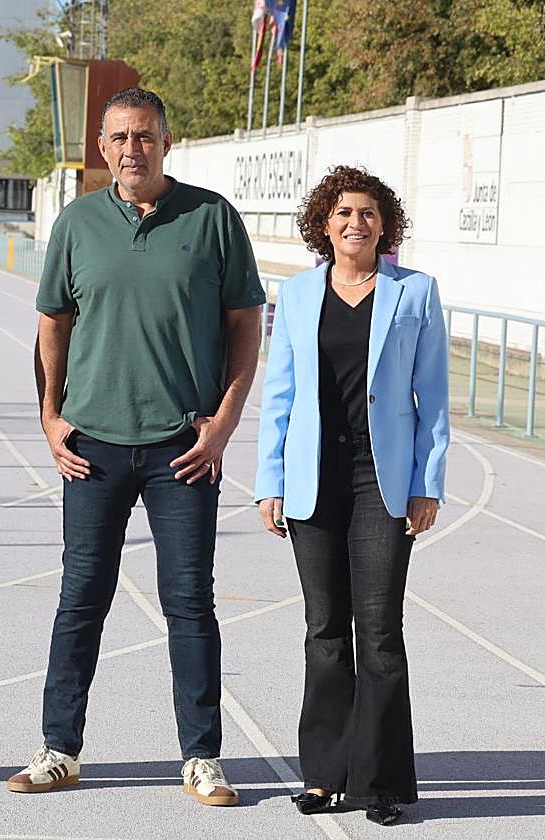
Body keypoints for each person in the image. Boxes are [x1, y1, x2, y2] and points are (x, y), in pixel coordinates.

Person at [8, 88, 264, 805]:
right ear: (102, 146)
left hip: (183, 446)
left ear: (166, 140)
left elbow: (247, 325)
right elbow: (52, 323)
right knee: (80, 598)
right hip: (92, 446)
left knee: (188, 603)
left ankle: (202, 757)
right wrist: (51, 416)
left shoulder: (212, 218)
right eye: (119, 137)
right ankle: (60, 749)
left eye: (144, 136)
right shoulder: (78, 223)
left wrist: (222, 424)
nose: (131, 149)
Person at [254, 165, 449, 827]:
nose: (355, 224)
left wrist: (427, 484)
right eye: (343, 213)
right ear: (324, 224)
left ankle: (381, 784)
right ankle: (325, 777)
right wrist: (269, 482)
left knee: (382, 635)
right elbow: (278, 394)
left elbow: (435, 402)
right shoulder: (298, 294)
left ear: (384, 225)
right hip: (314, 482)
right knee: (324, 633)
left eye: (367, 213)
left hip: (382, 483)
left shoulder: (415, 293)